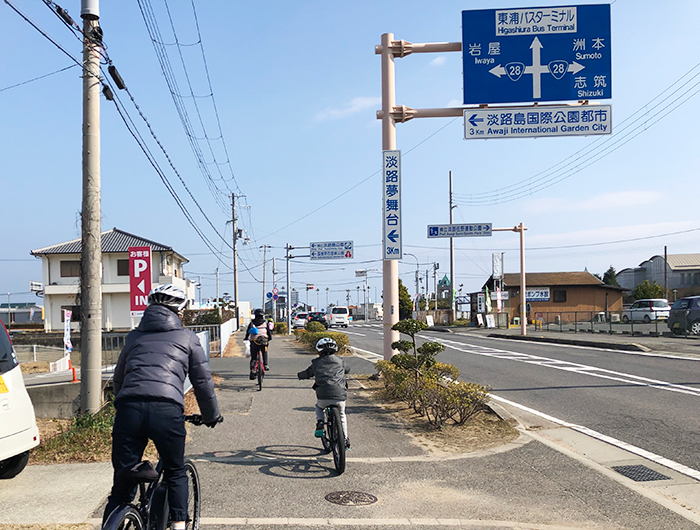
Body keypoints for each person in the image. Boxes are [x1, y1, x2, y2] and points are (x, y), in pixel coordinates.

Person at [103, 284, 223, 528]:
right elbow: (202, 381)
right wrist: (211, 415)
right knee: (175, 471)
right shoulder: (187, 338)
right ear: (179, 312)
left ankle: (117, 519)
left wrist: (123, 407)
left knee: (123, 483)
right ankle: (179, 526)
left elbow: (119, 377)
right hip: (166, 409)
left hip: (129, 408)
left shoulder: (134, 336)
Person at [297, 337, 351, 449]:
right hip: (340, 395)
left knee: (319, 407)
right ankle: (345, 439)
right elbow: (348, 369)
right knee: (341, 415)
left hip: (323, 395)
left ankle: (320, 422)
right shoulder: (340, 361)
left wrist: (300, 375)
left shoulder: (316, 363)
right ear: (335, 351)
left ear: (318, 352)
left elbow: (307, 373)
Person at [244, 308, 272, 377]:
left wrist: (246, 338)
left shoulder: (252, 323)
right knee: (264, 352)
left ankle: (253, 369)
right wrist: (269, 338)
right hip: (264, 341)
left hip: (254, 342)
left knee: (254, 358)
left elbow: (247, 332)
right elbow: (269, 333)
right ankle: (265, 365)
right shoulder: (265, 323)